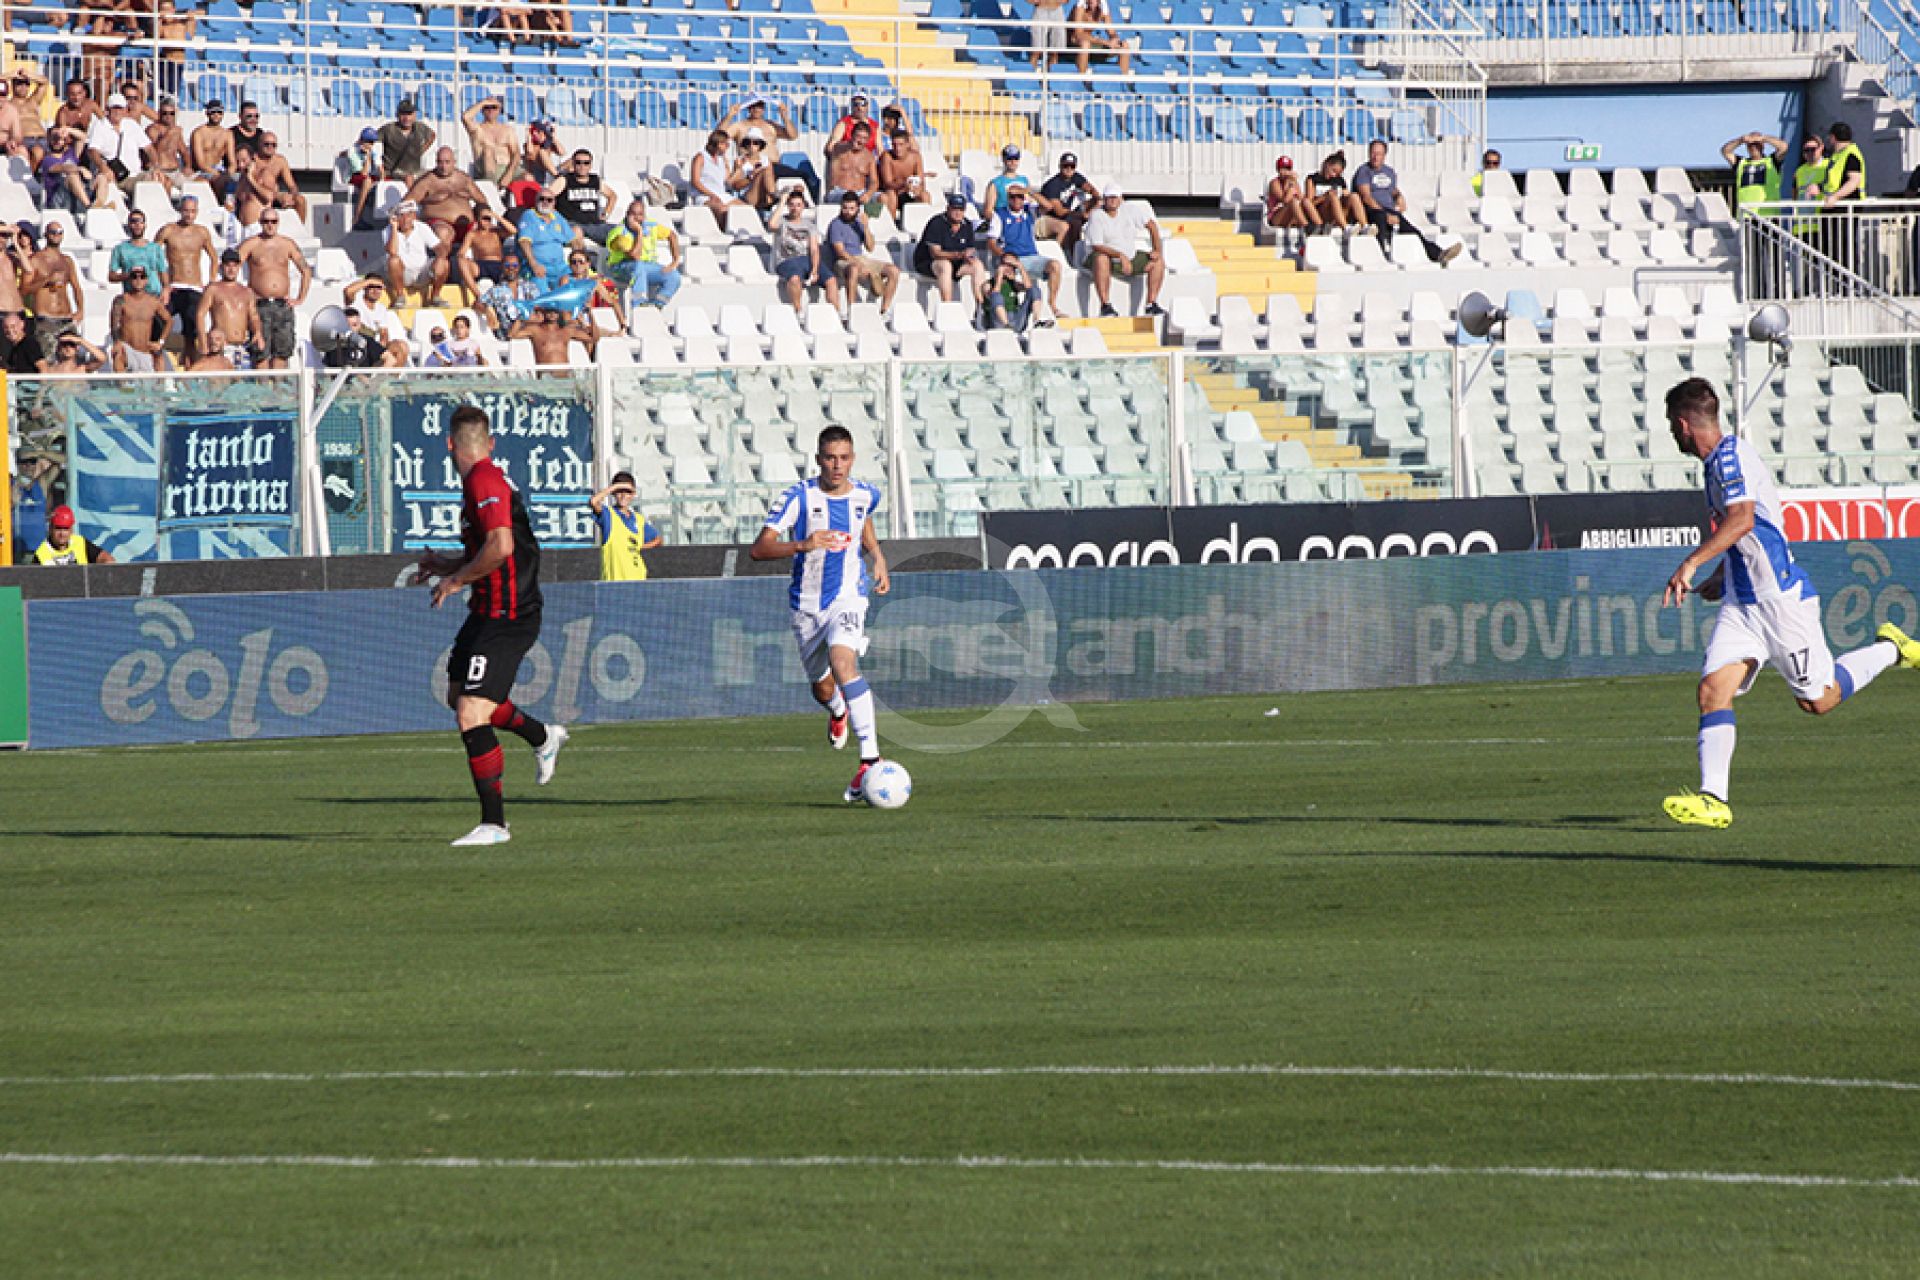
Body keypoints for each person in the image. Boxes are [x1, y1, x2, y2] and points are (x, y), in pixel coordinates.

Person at [1658, 378, 1920, 829]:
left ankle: (1891, 649)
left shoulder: (1731, 457)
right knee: (1712, 691)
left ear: (1683, 425)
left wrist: (1692, 563)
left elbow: (1743, 519)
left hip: (1780, 603)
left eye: (1670, 425)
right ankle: (1713, 799)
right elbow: (1752, 531)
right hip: (1743, 606)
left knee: (1819, 700)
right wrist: (1722, 575)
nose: (1671, 434)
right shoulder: (1714, 465)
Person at [410, 404, 568, 847]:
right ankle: (542, 736)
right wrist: (449, 565)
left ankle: (495, 824)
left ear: (449, 444)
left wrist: (456, 581)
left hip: (509, 615)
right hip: (487, 611)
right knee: (458, 696)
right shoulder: (482, 481)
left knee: (471, 712)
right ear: (491, 443)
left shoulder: (484, 481)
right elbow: (490, 550)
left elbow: (500, 547)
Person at [749, 424, 891, 803]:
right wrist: (804, 544)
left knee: (843, 662)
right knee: (823, 687)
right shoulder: (798, 497)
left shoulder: (867, 494)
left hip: (849, 596)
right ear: (818, 460)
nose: (837, 465)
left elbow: (864, 520)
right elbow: (759, 549)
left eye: (843, 458)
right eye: (830, 458)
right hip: (807, 605)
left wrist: (877, 556)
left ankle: (869, 760)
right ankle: (837, 709)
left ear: (853, 459)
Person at [1352, 138, 1458, 264]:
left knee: (1413, 231)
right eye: (1373, 153)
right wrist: (1385, 214)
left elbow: (1392, 190)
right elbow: (1366, 197)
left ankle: (1438, 253)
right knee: (1381, 222)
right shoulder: (1363, 171)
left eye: (1379, 154)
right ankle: (1382, 258)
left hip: (1390, 210)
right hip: (1372, 210)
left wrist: (1399, 197)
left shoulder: (1389, 172)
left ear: (1384, 155)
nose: (1375, 157)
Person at [237, 210, 310, 367]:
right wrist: (243, 296)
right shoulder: (251, 244)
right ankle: (262, 384)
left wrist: (300, 298)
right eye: (266, 221)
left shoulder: (287, 244)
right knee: (260, 353)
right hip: (259, 305)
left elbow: (306, 270)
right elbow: (232, 267)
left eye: (273, 221)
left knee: (282, 352)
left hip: (282, 305)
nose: (270, 225)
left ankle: (278, 383)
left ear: (278, 222)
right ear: (260, 222)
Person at [1082, 184, 1164, 317]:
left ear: (1121, 198)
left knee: (1158, 261)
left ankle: (1151, 304)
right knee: (1101, 258)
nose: (1112, 200)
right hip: (1103, 256)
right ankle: (1105, 305)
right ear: (1104, 199)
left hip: (1128, 256)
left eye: (1115, 197)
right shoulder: (1096, 215)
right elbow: (1097, 245)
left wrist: (1157, 250)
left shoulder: (1131, 210)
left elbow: (1152, 226)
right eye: (1109, 197)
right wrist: (1120, 256)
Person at [985, 183, 1060, 323]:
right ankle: (1017, 317)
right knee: (1021, 283)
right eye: (1013, 197)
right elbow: (991, 242)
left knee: (1055, 265)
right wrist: (1003, 256)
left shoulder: (1029, 211)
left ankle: (1052, 305)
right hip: (1012, 257)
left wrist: (1029, 191)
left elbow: (1049, 206)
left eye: (1020, 197)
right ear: (1008, 198)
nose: (1016, 200)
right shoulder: (1000, 214)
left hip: (1031, 257)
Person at [157, 194, 217, 363]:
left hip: (194, 287)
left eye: (192, 211)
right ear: (180, 210)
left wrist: (211, 281)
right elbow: (154, 257)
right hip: (174, 286)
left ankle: (191, 367)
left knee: (191, 332)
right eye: (186, 211)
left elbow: (214, 257)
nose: (189, 215)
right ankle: (158, 360)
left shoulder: (202, 232)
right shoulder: (168, 230)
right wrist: (164, 285)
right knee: (158, 323)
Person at [406, 147, 488, 268]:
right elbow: (407, 203)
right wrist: (428, 200)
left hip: (466, 224)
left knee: (487, 233)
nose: (443, 166)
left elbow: (482, 200)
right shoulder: (428, 181)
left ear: (454, 162)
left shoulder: (464, 179)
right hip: (440, 223)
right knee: (443, 233)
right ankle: (443, 268)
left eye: (447, 162)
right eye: (440, 162)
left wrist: (482, 214)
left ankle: (485, 270)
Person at [826, 191, 901, 313]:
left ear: (857, 209)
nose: (848, 211)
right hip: (842, 261)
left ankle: (884, 309)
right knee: (854, 269)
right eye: (845, 208)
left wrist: (866, 227)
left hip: (861, 257)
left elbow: (870, 247)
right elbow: (840, 252)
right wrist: (859, 264)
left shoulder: (859, 223)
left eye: (851, 208)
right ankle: (852, 309)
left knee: (894, 271)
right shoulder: (835, 225)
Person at [603, 197, 681, 308]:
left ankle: (658, 305)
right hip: (621, 268)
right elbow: (635, 256)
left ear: (644, 216)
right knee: (638, 266)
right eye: (633, 214)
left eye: (640, 214)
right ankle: (639, 303)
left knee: (673, 276)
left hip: (647, 266)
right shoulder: (619, 232)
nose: (636, 218)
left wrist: (675, 261)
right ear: (627, 214)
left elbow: (672, 235)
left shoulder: (650, 226)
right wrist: (639, 232)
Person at [914, 192, 989, 304]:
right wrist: (958, 255)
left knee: (977, 265)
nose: (958, 213)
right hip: (929, 262)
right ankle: (947, 305)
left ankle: (981, 304)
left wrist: (968, 256)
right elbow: (935, 253)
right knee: (945, 265)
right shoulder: (936, 223)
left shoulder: (967, 225)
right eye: (955, 209)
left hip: (956, 263)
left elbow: (970, 248)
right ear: (948, 208)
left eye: (961, 209)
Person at [769, 187, 835, 313]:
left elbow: (814, 250)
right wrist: (782, 201)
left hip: (806, 260)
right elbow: (771, 225)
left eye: (798, 205)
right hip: (786, 260)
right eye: (792, 205)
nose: (795, 208)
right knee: (794, 278)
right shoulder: (782, 221)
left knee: (831, 280)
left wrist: (814, 270)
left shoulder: (810, 225)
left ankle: (834, 313)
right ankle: (798, 311)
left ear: (803, 206)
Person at [589, 470, 662, 581]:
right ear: (614, 493)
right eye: (619, 492)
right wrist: (615, 487)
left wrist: (639, 547)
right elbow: (594, 502)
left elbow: (658, 540)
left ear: (633, 494)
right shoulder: (609, 515)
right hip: (614, 583)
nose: (623, 496)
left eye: (627, 492)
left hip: (638, 579)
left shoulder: (638, 519)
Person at [201, 248, 263, 369]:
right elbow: (200, 314)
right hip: (222, 347)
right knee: (222, 379)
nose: (231, 269)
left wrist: (258, 332)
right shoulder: (213, 289)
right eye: (228, 265)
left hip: (242, 346)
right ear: (221, 267)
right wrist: (203, 341)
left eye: (234, 266)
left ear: (239, 267)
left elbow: (254, 316)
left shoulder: (247, 292)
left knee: (242, 380)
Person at [27, 222, 83, 347]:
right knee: (47, 355)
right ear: (45, 234)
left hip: (66, 317)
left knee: (69, 356)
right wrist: (44, 280)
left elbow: (76, 288)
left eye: (60, 232)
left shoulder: (67, 260)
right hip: (46, 318)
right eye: (53, 232)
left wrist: (80, 310)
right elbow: (24, 289)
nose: (56, 235)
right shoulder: (35, 259)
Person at [235, 131, 306, 226]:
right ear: (259, 144)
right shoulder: (252, 160)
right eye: (266, 144)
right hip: (260, 195)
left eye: (273, 145)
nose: (270, 147)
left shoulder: (280, 161)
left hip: (274, 195)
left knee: (300, 200)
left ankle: (299, 228)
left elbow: (292, 186)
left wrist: (291, 196)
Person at [108, 265, 172, 371]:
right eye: (134, 276)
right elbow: (114, 324)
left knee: (159, 357)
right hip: (127, 350)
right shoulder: (121, 300)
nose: (138, 280)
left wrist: (160, 342)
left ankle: (160, 381)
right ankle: (121, 382)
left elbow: (169, 321)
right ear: (129, 279)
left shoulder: (153, 302)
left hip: (145, 350)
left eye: (142, 277)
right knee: (118, 353)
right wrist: (117, 342)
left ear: (146, 280)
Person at [86, 94, 148, 198]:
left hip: (134, 175)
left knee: (157, 177)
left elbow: (149, 148)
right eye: (114, 108)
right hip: (111, 176)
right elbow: (93, 151)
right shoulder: (100, 126)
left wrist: (156, 167)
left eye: (120, 108)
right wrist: (103, 168)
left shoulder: (132, 125)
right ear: (107, 109)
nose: (118, 111)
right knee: (103, 180)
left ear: (125, 110)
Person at [551, 148, 616, 243]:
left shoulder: (595, 180)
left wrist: (605, 214)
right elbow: (546, 196)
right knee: (577, 232)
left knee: (622, 231)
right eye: (578, 162)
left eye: (586, 163)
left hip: (594, 224)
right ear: (573, 164)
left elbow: (612, 196)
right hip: (571, 224)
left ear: (590, 165)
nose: (582, 166)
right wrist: (554, 217)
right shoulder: (564, 180)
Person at [1036, 151, 1095, 254]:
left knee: (1097, 212)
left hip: (1069, 212)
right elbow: (1059, 211)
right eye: (1065, 166)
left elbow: (1092, 190)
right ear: (1060, 166)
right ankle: (1071, 254)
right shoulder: (1052, 184)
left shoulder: (1076, 177)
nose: (1069, 169)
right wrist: (1082, 215)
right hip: (1052, 216)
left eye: (1072, 166)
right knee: (1075, 222)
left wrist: (1096, 202)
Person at [455, 205, 510, 308]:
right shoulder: (472, 234)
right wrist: (462, 256)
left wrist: (497, 217)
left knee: (512, 262)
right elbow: (461, 252)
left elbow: (513, 231)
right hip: (481, 265)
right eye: (484, 218)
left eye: (488, 218)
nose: (487, 221)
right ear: (477, 219)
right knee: (461, 261)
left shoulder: (496, 231)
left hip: (498, 264)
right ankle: (479, 296)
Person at [1722, 132, 1786, 219]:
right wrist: (1741, 140)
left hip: (1768, 215)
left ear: (1762, 146)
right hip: (1746, 215)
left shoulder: (1771, 161)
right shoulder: (1741, 163)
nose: (1753, 147)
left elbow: (1783, 147)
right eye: (1750, 145)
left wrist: (1764, 138)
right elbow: (1725, 151)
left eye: (1756, 144)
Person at [508, 306, 596, 368]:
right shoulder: (535, 330)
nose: (552, 314)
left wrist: (590, 314)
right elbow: (512, 334)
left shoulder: (567, 330)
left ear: (559, 313)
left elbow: (594, 338)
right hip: (545, 379)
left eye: (555, 311)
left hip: (566, 379)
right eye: (549, 311)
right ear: (544, 312)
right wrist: (522, 316)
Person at [515, 189, 573, 284]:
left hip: (561, 267)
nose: (545, 202)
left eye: (549, 200)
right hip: (538, 267)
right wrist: (534, 264)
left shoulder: (557, 216)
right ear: (536, 201)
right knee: (541, 289)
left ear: (554, 203)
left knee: (578, 285)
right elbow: (524, 242)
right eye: (542, 199)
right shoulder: (529, 216)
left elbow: (572, 239)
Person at [461, 95, 518, 186]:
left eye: (494, 107)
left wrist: (509, 174)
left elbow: (516, 154)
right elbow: (466, 117)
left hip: (507, 167)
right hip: (485, 169)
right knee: (488, 151)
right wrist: (483, 102)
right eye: (487, 107)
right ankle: (492, 188)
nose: (491, 110)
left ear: (499, 110)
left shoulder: (508, 130)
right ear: (482, 110)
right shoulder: (477, 129)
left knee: (528, 178)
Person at [480, 254, 540, 338]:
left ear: (519, 267)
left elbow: (538, 308)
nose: (511, 268)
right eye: (507, 265)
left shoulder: (531, 287)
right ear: (502, 267)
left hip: (528, 333)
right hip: (505, 336)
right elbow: (478, 304)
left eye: (515, 265)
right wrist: (487, 311)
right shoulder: (495, 290)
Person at [107, 210, 167, 293]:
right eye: (133, 221)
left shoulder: (155, 248)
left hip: (154, 296)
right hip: (131, 296)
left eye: (140, 222)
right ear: (129, 225)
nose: (137, 225)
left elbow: (163, 273)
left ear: (145, 225)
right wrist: (130, 275)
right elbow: (111, 276)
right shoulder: (120, 249)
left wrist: (166, 291)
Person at [33, 504, 113, 565]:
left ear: (71, 530)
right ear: (50, 529)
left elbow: (103, 557)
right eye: (58, 528)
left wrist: (107, 562)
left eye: (66, 528)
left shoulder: (80, 542)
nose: (62, 533)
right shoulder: (41, 553)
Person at [376, 99, 436, 180]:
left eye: (409, 114)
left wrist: (421, 151)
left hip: (415, 171)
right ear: (397, 115)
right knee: (408, 178)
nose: (407, 118)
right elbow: (373, 140)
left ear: (414, 115)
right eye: (403, 114)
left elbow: (432, 135)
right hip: (392, 173)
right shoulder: (388, 129)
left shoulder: (420, 127)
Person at [729, 126, 784, 213]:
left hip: (764, 195)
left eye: (755, 143)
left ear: (760, 145)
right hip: (747, 196)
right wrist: (751, 177)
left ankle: (774, 196)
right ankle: (776, 197)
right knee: (764, 171)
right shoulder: (740, 161)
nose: (751, 145)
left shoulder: (766, 160)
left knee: (766, 172)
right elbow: (735, 186)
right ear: (745, 144)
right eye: (748, 142)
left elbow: (770, 181)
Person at [823, 122, 878, 208]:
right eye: (858, 136)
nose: (860, 141)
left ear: (868, 140)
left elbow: (874, 181)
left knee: (883, 198)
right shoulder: (839, 149)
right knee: (852, 198)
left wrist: (868, 194)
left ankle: (871, 216)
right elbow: (828, 150)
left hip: (860, 193)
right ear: (852, 135)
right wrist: (850, 146)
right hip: (839, 192)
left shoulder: (869, 157)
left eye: (864, 138)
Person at [1306, 151, 1365, 232]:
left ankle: (1364, 226)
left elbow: (1346, 198)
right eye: (1333, 171)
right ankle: (1345, 228)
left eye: (1337, 174)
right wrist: (1325, 196)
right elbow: (1309, 204)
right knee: (1333, 197)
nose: (1334, 175)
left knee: (1354, 196)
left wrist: (1345, 194)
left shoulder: (1339, 180)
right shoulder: (1312, 179)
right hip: (1322, 213)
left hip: (1339, 213)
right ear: (1326, 164)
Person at [1264, 156, 1320, 241]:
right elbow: (1285, 201)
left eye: (1287, 169)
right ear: (1278, 170)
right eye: (1282, 169)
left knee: (1306, 201)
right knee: (1293, 202)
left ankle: (1319, 225)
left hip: (1291, 215)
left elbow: (1301, 198)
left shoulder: (1293, 182)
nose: (1285, 172)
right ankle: (1306, 227)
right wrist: (1289, 183)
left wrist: (1293, 183)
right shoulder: (1274, 183)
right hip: (1276, 216)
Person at [141, 99, 190, 194]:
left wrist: (188, 166)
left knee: (200, 183)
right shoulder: (152, 130)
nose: (168, 116)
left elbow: (184, 152)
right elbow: (154, 152)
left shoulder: (176, 131)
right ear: (159, 113)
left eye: (171, 114)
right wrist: (169, 134)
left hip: (175, 171)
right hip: (159, 171)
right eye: (165, 113)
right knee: (167, 183)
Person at [876, 125, 925, 219]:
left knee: (925, 195)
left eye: (901, 145)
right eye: (894, 145)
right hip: (894, 193)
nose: (897, 148)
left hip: (909, 192)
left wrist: (917, 189)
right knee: (891, 194)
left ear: (907, 144)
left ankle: (923, 223)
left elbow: (921, 180)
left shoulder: (915, 157)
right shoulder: (887, 156)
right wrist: (904, 185)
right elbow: (887, 183)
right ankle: (891, 224)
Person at [1071, 0, 1132, 75]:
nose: (1092, 1)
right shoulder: (1080, 7)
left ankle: (1123, 79)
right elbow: (1078, 34)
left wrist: (1115, 39)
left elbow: (1111, 32)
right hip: (1074, 43)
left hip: (1091, 43)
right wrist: (1105, 42)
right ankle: (1082, 79)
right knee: (1085, 44)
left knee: (1124, 45)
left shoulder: (1103, 9)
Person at [189, 100, 235, 184]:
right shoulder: (198, 133)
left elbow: (233, 163)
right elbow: (201, 163)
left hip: (219, 169)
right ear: (207, 113)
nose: (216, 115)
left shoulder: (227, 134)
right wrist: (218, 175)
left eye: (219, 112)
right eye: (213, 112)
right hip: (201, 171)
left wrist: (228, 173)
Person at [689, 130, 736, 210]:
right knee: (722, 209)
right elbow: (695, 182)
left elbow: (728, 181)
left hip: (721, 195)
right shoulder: (700, 157)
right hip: (704, 196)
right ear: (719, 144)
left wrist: (737, 168)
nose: (727, 147)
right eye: (726, 144)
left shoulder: (722, 159)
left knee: (746, 209)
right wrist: (712, 195)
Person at [984, 144, 1027, 218]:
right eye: (1009, 159)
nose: (1013, 161)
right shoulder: (995, 183)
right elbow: (988, 211)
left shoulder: (1024, 180)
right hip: (1003, 219)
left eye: (1016, 158)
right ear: (1003, 160)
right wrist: (999, 220)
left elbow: (1028, 202)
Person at [1031, 0, 1071, 69]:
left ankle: (1052, 73)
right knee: (1036, 50)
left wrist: (1057, 2)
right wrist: (1038, 2)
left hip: (1057, 10)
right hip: (1040, 10)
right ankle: (1030, 73)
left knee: (1055, 52)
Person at [229, 100, 267, 167]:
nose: (253, 119)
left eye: (256, 116)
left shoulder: (261, 135)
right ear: (240, 116)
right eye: (249, 116)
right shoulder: (230, 134)